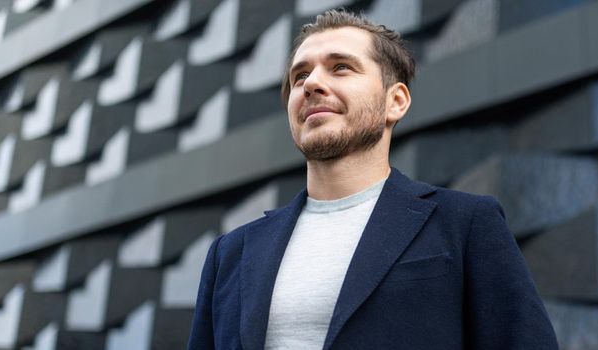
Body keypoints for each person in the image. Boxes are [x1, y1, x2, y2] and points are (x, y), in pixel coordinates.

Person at [187, 9, 558, 350]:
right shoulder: (230, 253)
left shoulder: (465, 224)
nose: (312, 83)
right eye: (300, 75)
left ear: (395, 101)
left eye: (341, 67)